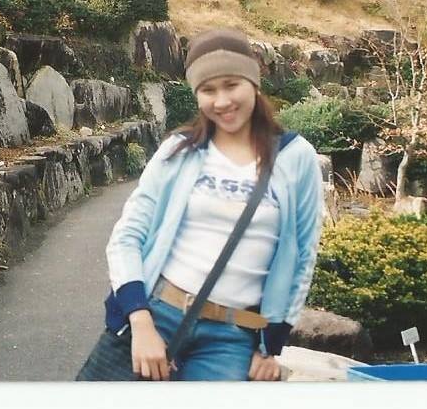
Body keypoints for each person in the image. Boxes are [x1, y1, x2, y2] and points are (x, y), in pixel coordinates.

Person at [102, 28, 324, 381]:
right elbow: (127, 236)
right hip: (158, 314)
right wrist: (140, 321)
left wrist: (270, 346)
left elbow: (302, 257)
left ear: (254, 83)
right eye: (208, 90)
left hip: (231, 339)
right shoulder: (180, 150)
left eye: (231, 85)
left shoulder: (296, 157)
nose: (221, 101)